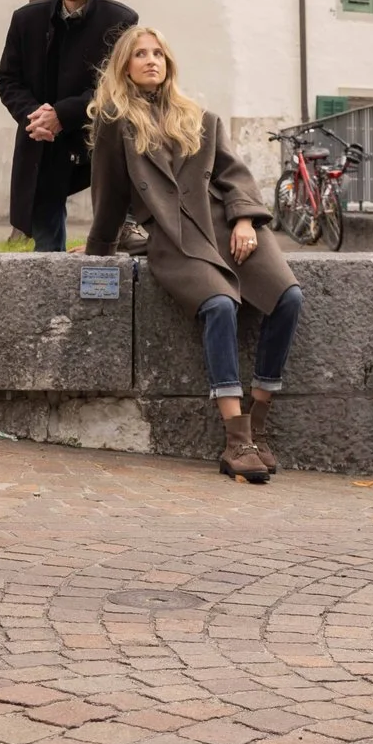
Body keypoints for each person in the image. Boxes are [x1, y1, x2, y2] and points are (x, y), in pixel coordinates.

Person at [83, 25, 302, 483]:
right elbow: (107, 197)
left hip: (227, 226)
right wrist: (97, 256)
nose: (151, 60)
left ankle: (259, 424)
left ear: (169, 62)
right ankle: (236, 439)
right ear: (125, 65)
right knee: (219, 306)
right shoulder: (115, 122)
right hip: (173, 238)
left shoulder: (200, 118)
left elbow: (234, 176)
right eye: (140, 54)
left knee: (288, 297)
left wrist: (246, 220)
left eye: (158, 53)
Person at [0, 0, 136, 252]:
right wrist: (37, 118)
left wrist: (62, 114)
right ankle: (47, 298)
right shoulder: (26, 19)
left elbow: (116, 87)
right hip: (43, 140)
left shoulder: (121, 20)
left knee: (116, 236)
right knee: (46, 243)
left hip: (98, 135)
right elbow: (7, 79)